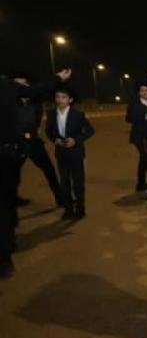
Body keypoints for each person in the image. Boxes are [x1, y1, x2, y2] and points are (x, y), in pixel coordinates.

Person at [0, 68, 71, 278]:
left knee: (45, 171)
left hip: (20, 147)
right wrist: (58, 78)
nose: (21, 86)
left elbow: (40, 92)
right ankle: (6, 248)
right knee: (7, 200)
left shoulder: (16, 91)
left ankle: (60, 197)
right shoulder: (8, 88)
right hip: (10, 151)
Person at [45, 85, 95, 220]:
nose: (59, 100)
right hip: (61, 153)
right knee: (64, 183)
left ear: (70, 100)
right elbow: (48, 131)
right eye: (57, 97)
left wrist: (76, 140)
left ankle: (80, 208)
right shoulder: (51, 114)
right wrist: (55, 139)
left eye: (63, 97)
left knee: (78, 182)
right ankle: (68, 210)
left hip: (76, 153)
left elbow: (90, 131)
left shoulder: (77, 115)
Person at [13, 73, 63, 207]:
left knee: (49, 169)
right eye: (16, 84)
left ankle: (61, 199)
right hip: (16, 143)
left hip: (33, 142)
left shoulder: (35, 102)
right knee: (12, 173)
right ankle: (13, 198)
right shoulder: (9, 102)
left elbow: (47, 91)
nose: (18, 87)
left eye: (22, 84)